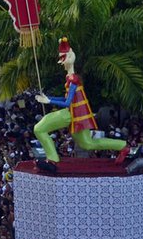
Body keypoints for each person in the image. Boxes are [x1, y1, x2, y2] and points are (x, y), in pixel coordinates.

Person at [34, 37, 131, 169]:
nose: (62, 62)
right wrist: (48, 98)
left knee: (39, 129)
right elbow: (66, 99)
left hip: (70, 114)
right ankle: (123, 146)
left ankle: (52, 160)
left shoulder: (73, 79)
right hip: (75, 116)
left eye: (64, 58)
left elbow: (67, 103)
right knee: (88, 144)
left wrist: (49, 100)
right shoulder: (70, 78)